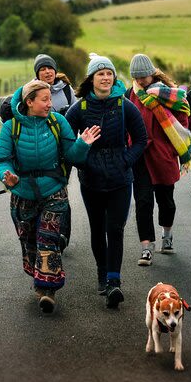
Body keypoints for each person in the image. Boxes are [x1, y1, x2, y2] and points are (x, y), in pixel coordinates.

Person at [0, 79, 100, 313]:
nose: (50, 104)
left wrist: (83, 144)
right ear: (29, 102)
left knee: (48, 238)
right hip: (23, 192)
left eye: (51, 99)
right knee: (29, 240)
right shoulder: (11, 127)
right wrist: (7, 175)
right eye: (44, 100)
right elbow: (2, 160)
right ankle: (39, 279)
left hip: (53, 190)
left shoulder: (57, 122)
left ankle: (47, 289)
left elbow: (72, 156)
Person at [65, 54, 147, 308]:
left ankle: (114, 281)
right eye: (100, 74)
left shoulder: (125, 106)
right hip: (90, 180)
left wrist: (125, 160)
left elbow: (142, 139)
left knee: (116, 229)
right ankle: (102, 272)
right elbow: (67, 144)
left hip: (121, 179)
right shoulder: (80, 109)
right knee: (97, 229)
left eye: (109, 73)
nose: (106, 77)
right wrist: (83, 159)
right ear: (91, 79)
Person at [126, 54, 191, 266]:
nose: (140, 81)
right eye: (136, 77)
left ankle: (167, 235)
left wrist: (173, 148)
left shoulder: (169, 94)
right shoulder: (131, 94)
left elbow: (182, 120)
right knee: (143, 202)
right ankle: (146, 248)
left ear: (151, 73)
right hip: (140, 156)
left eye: (143, 77)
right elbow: (126, 121)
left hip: (163, 156)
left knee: (166, 202)